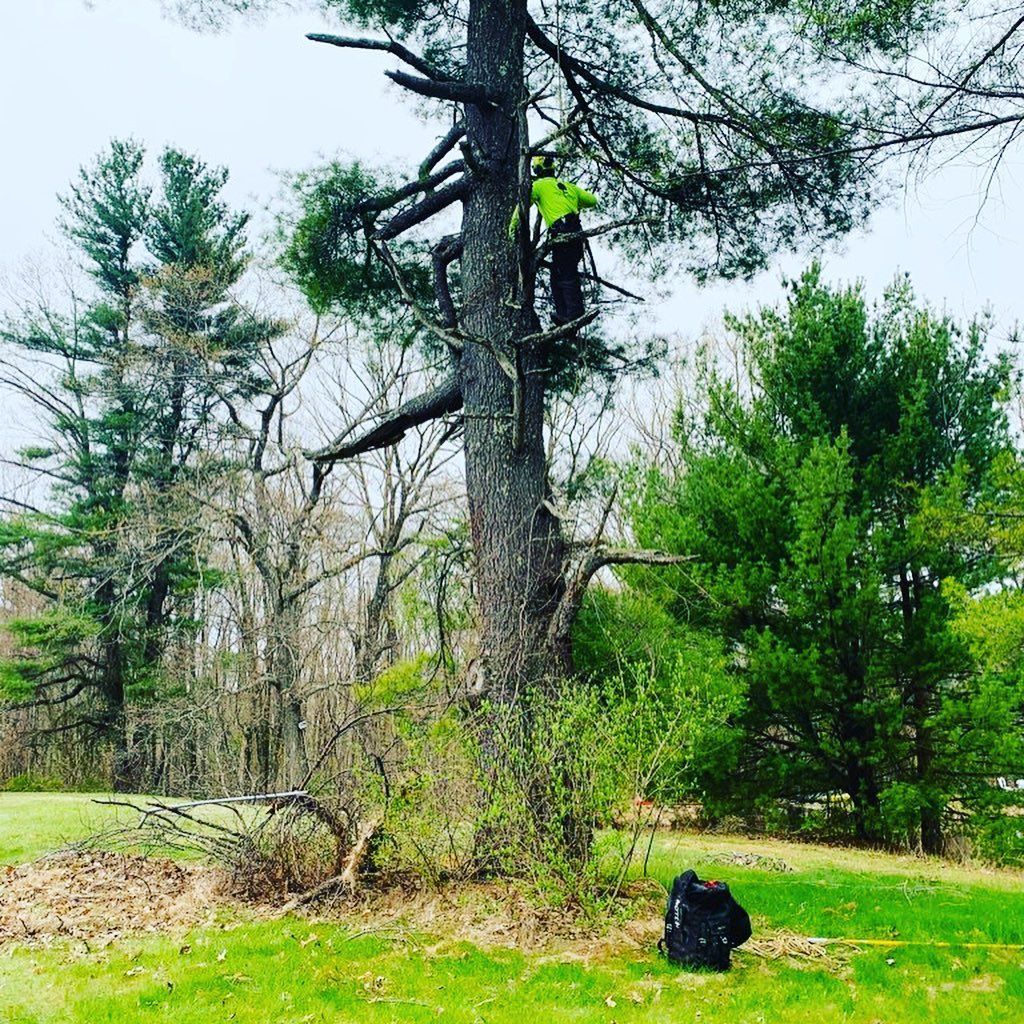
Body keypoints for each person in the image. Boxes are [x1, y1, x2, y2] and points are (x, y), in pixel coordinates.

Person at [509, 155, 599, 326]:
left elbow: (522, 205)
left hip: (562, 231)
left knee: (564, 273)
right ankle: (567, 316)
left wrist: (513, 228)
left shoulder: (538, 186)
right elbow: (593, 201)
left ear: (536, 171)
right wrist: (573, 203)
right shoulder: (569, 187)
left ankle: (573, 316)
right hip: (576, 233)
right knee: (561, 273)